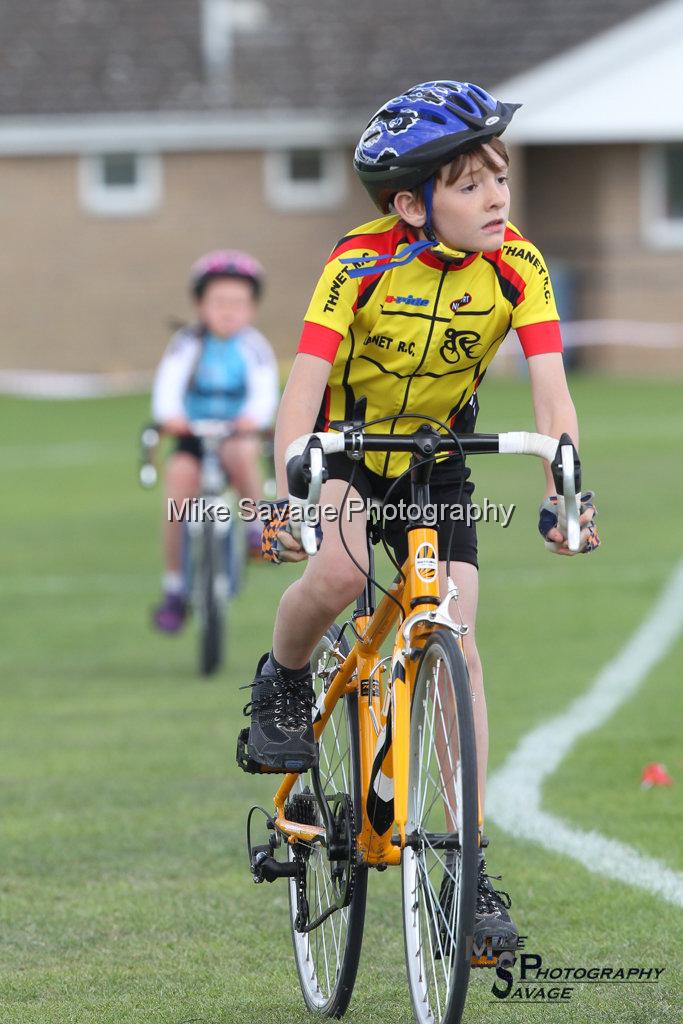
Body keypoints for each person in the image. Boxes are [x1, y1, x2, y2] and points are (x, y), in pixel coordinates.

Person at [241, 81, 600, 950]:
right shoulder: (358, 262)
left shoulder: (520, 263)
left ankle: (467, 869)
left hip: (442, 461)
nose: (495, 197)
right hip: (348, 451)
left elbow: (552, 395)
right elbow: (300, 387)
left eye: (498, 177)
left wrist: (566, 489)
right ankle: (284, 676)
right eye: (468, 182)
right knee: (334, 572)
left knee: (458, 646)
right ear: (410, 203)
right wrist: (290, 486)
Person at [151, 250, 279, 633]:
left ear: (252, 309)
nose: (228, 311)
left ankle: (256, 528)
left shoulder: (254, 347)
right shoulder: (186, 344)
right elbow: (167, 391)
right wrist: (172, 418)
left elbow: (264, 395)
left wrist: (252, 419)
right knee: (177, 488)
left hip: (234, 435)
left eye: (238, 303)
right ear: (200, 304)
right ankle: (174, 587)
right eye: (219, 302)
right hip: (192, 436)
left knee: (242, 453)